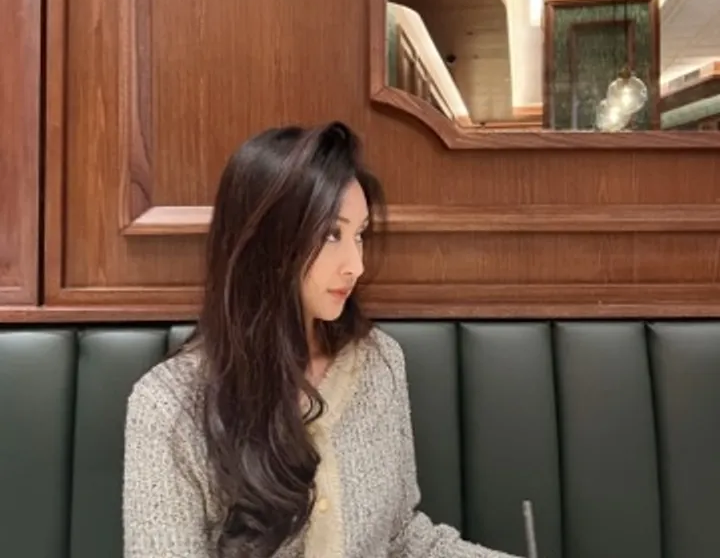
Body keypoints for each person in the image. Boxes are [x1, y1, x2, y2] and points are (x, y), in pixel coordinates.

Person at [123, 121, 519, 557]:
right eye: (332, 234)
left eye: (359, 235)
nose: (356, 265)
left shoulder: (379, 362)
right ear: (267, 241)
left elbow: (402, 538)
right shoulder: (167, 406)